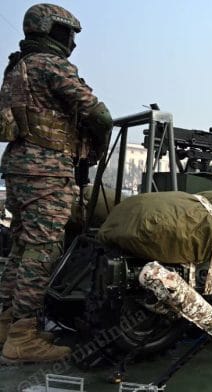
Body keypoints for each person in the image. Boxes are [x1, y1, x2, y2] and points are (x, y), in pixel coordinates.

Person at [0, 4, 112, 363]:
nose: (73, 43)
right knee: (42, 250)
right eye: (69, 33)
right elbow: (98, 112)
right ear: (50, 29)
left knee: (20, 248)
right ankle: (23, 339)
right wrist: (97, 143)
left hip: (19, 168)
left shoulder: (17, 67)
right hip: (47, 169)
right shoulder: (51, 65)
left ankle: (6, 324)